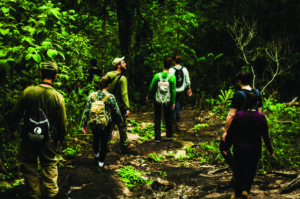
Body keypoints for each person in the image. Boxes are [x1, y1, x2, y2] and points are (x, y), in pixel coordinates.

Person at [5, 62, 67, 199]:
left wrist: (13, 127)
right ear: (56, 76)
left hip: (28, 137)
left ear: (40, 74)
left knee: (29, 164)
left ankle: (34, 194)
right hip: (48, 139)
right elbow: (62, 122)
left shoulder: (28, 91)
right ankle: (51, 193)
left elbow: (16, 113)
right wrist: (60, 138)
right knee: (49, 163)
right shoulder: (58, 97)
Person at [223, 91, 274, 199]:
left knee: (239, 170)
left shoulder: (239, 115)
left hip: (239, 148)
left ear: (246, 102)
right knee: (251, 170)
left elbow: (231, 133)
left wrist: (226, 147)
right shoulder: (260, 117)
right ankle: (246, 191)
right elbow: (265, 136)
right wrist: (271, 150)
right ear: (256, 102)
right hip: (254, 149)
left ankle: (237, 193)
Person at [220, 70, 263, 176]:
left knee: (224, 147)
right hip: (254, 127)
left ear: (239, 81)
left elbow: (231, 114)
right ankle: (244, 174)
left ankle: (237, 171)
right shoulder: (257, 93)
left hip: (239, 127)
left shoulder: (238, 95)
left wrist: (226, 131)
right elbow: (260, 111)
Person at [81, 75, 123, 170]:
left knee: (95, 139)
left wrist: (84, 124)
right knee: (104, 142)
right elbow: (116, 110)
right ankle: (101, 164)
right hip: (106, 123)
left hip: (94, 122)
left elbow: (87, 110)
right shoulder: (110, 97)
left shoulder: (92, 96)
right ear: (108, 85)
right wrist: (120, 121)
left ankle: (96, 155)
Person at [105, 56, 133, 153]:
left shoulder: (108, 75)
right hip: (118, 107)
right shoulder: (122, 78)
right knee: (122, 125)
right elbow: (124, 94)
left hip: (108, 105)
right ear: (119, 66)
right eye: (123, 62)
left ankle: (105, 145)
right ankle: (124, 145)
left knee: (109, 126)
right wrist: (127, 108)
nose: (125, 64)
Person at [146, 57, 176, 142]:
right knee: (168, 117)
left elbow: (151, 87)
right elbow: (173, 90)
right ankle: (169, 135)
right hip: (168, 99)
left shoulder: (157, 76)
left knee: (157, 118)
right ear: (170, 66)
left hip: (157, 99)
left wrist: (148, 96)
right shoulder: (172, 77)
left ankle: (157, 137)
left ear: (163, 65)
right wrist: (173, 101)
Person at [169, 55, 192, 122]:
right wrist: (189, 89)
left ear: (174, 62)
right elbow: (188, 81)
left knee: (173, 101)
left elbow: (169, 80)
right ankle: (178, 115)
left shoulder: (171, 70)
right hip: (181, 89)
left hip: (174, 89)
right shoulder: (184, 69)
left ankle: (172, 118)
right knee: (177, 100)